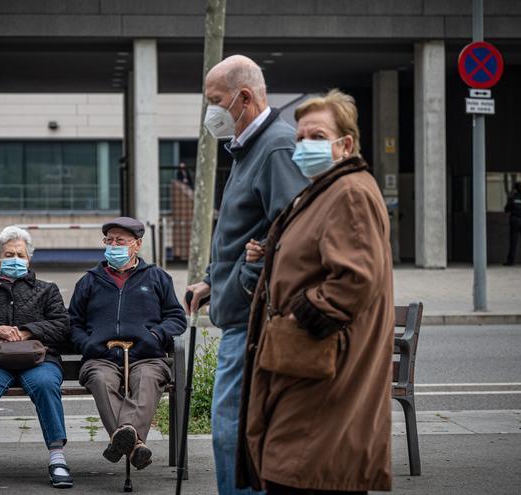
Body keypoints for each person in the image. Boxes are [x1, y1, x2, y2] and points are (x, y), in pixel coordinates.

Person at [238, 90, 394, 494]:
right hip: (307, 368)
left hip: (323, 370)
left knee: (299, 474)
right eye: (302, 137)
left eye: (318, 137)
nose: (306, 146)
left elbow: (356, 278)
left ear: (345, 144)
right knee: (289, 471)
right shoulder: (324, 189)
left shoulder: (350, 192)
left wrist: (303, 317)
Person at [184, 54, 309, 495]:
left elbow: (292, 238)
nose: (210, 112)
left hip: (252, 320)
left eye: (215, 100)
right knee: (235, 431)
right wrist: (211, 281)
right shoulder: (247, 145)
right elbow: (247, 232)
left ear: (243, 97)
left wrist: (241, 283)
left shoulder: (275, 147)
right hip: (240, 312)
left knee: (232, 431)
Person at [0, 226, 73, 490]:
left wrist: (28, 331)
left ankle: (57, 458)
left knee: (46, 384)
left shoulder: (47, 290)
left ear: (29, 259)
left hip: (39, 360)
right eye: (9, 254)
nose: (15, 259)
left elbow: (62, 327)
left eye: (21, 254)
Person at [69, 217, 186, 470]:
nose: (113, 245)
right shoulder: (89, 281)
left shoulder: (157, 277)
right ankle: (136, 445)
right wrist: (87, 344)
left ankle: (126, 436)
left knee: (147, 378)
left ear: (137, 245)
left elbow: (176, 318)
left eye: (120, 241)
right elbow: (73, 323)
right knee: (100, 378)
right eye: (109, 240)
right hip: (101, 356)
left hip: (146, 355)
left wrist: (155, 336)